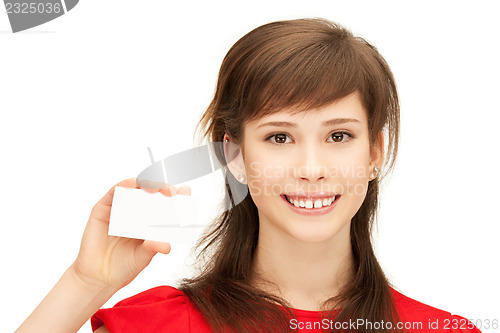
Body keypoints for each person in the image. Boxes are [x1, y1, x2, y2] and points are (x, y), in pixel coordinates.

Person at [16, 18, 482, 333]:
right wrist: (85, 284)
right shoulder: (156, 325)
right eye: (280, 137)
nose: (312, 169)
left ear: (375, 151)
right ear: (235, 156)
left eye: (339, 136)